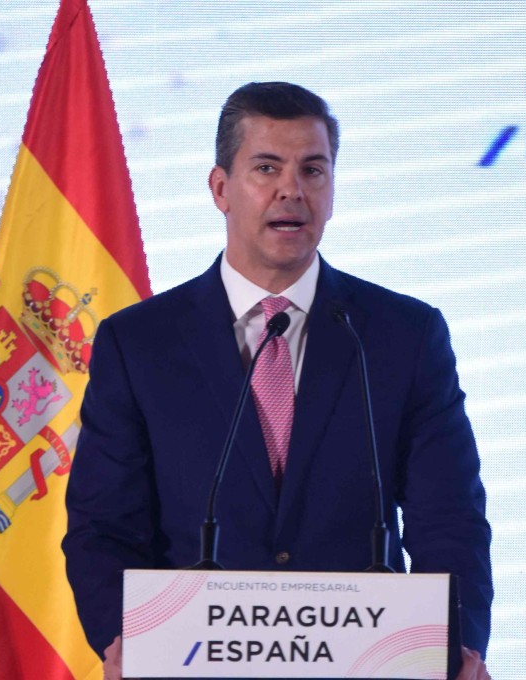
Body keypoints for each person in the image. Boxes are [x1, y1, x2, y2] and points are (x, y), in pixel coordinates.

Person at [63, 81, 493, 680]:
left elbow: (450, 520)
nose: (292, 189)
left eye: (313, 170)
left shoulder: (403, 335)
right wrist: (124, 639)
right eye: (267, 167)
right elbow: (103, 527)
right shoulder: (139, 344)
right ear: (221, 189)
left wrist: (456, 648)